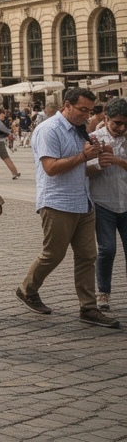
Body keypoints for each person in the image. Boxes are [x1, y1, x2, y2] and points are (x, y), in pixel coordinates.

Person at [16, 88, 120, 327]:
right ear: (67, 105)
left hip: (83, 201)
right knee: (53, 254)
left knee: (88, 257)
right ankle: (27, 289)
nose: (86, 115)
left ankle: (88, 308)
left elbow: (79, 169)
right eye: (82, 110)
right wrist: (84, 157)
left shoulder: (80, 131)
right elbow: (51, 168)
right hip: (57, 203)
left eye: (90, 111)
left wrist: (99, 161)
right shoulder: (48, 130)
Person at [89, 97, 127, 312]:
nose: (122, 128)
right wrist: (99, 164)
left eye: (126, 124)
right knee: (107, 249)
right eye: (117, 123)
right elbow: (85, 170)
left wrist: (117, 160)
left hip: (126, 202)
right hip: (103, 202)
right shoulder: (94, 138)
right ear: (107, 118)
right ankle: (103, 291)